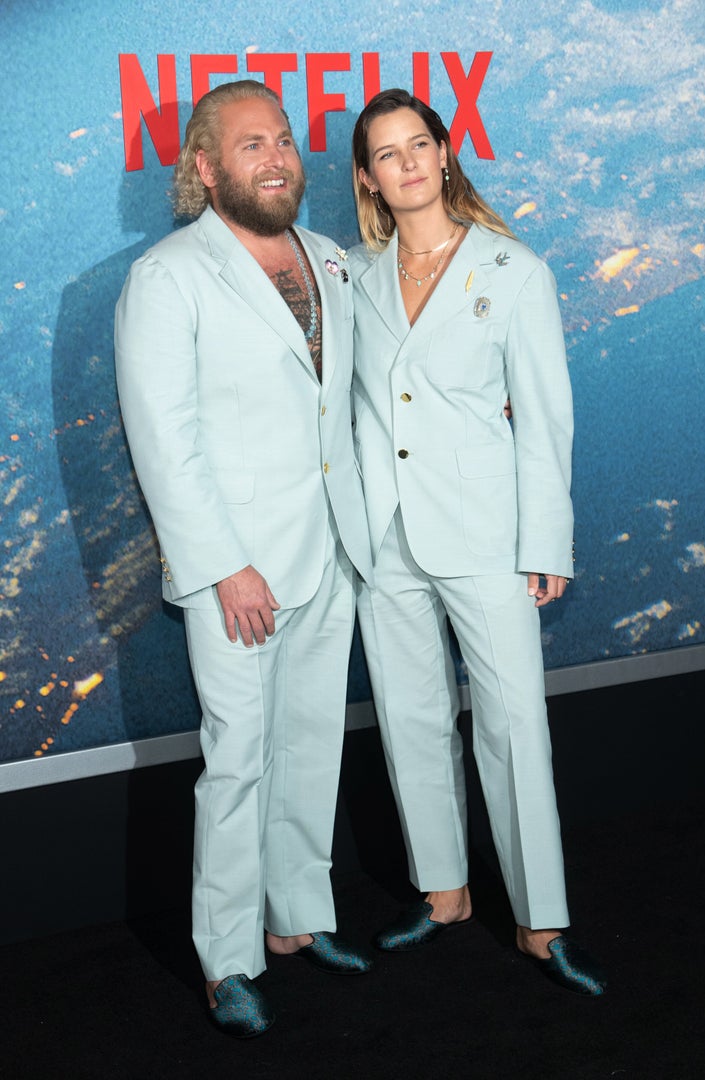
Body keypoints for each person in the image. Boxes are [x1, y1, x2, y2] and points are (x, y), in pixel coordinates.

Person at [114, 79, 375, 1038]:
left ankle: (298, 924)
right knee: (238, 764)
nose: (276, 157)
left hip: (331, 553)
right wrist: (224, 565)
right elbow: (164, 440)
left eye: (284, 141)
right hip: (239, 574)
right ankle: (226, 961)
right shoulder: (170, 275)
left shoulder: (331, 260)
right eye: (251, 143)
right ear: (205, 167)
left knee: (311, 749)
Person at [348, 89, 606, 996]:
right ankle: (445, 893)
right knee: (412, 724)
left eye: (420, 144)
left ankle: (541, 923)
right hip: (384, 541)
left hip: (489, 535)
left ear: (446, 154)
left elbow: (545, 420)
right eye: (388, 153)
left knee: (513, 727)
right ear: (370, 177)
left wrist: (547, 541)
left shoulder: (514, 269)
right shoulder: (355, 275)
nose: (408, 162)